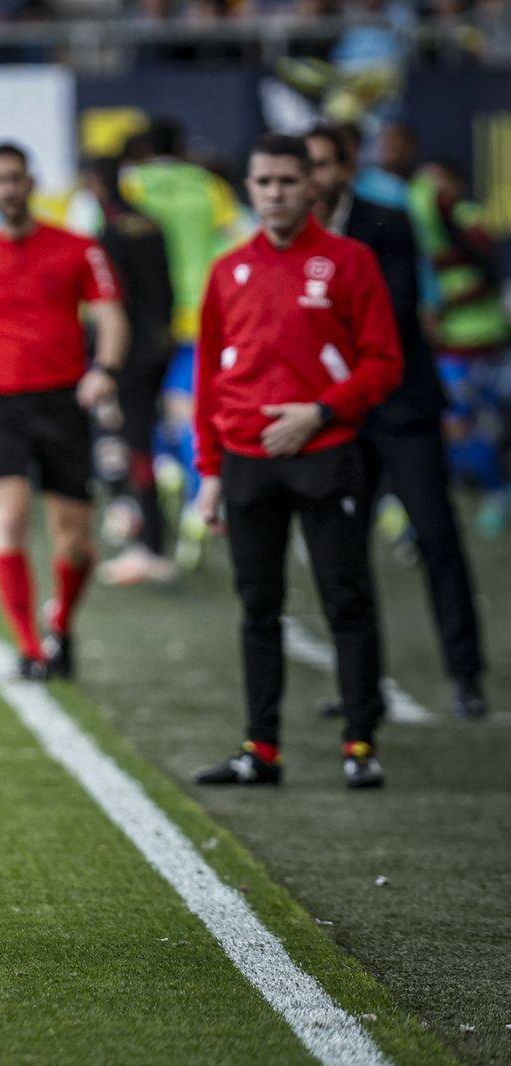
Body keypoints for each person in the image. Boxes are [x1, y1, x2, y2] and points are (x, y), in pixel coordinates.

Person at [191, 134, 402, 790]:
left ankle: (360, 744)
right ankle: (262, 749)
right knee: (258, 607)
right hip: (248, 461)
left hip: (327, 454)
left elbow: (384, 361)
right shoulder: (227, 271)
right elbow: (207, 378)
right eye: (265, 182)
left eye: (288, 180)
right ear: (249, 189)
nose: (276, 192)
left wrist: (322, 412)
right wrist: (210, 470)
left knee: (347, 599)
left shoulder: (350, 261)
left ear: (313, 186)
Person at [305, 126, 487, 720]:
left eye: (327, 165)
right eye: (307, 167)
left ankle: (466, 676)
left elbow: (391, 304)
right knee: (345, 556)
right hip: (341, 417)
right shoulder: (293, 239)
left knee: (438, 540)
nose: (317, 179)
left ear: (349, 165)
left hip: (402, 409)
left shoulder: (388, 218)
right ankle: (362, 686)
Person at [0, 142, 130, 681]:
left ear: (31, 183)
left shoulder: (78, 248)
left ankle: (61, 624)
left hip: (65, 401)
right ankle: (30, 648)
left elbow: (111, 316)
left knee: (74, 543)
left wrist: (105, 370)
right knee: (9, 519)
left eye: (15, 178)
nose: (8, 188)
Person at [121, 118, 253, 568]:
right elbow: (239, 239)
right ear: (182, 147)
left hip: (143, 318)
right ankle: (195, 488)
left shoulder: (132, 185)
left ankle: (161, 465)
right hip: (200, 314)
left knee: (140, 410)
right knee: (192, 406)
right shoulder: (208, 185)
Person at [82, 156, 178, 586]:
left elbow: (109, 303)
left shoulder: (110, 232)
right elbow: (167, 289)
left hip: (127, 353)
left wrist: (100, 357)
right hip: (158, 346)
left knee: (131, 441)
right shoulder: (152, 224)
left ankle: (152, 545)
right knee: (138, 438)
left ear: (95, 184)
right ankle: (145, 530)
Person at [410, 158, 511, 538]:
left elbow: (486, 272)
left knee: (485, 423)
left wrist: (445, 306)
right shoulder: (421, 220)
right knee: (455, 423)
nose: (433, 191)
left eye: (440, 183)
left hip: (485, 340)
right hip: (450, 346)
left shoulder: (467, 218)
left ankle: (496, 492)